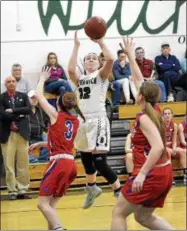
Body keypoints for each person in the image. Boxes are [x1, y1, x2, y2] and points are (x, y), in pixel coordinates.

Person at [111, 38, 173, 230]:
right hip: (164, 172)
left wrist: (142, 174)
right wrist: (130, 54)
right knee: (143, 217)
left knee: (119, 213)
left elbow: (158, 147)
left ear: (140, 96)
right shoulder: (158, 109)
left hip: (152, 173)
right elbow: (139, 80)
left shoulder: (144, 117)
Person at [68, 31, 122, 209]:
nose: (90, 59)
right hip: (83, 122)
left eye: (93, 58)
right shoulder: (80, 79)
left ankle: (118, 191)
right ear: (84, 64)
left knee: (99, 161)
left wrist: (100, 42)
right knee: (85, 159)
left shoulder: (101, 75)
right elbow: (69, 70)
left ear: (99, 63)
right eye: (87, 58)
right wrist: (76, 46)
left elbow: (111, 59)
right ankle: (91, 188)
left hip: (98, 119)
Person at [31, 67, 84, 230]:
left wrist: (42, 78)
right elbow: (63, 141)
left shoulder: (55, 115)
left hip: (58, 164)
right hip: (70, 164)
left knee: (42, 204)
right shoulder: (77, 121)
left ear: (59, 103)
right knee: (50, 206)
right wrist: (42, 144)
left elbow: (39, 96)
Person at [0, 76, 31, 200]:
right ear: (5, 84)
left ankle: (22, 189)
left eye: (13, 81)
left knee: (23, 163)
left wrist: (12, 110)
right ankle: (12, 190)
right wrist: (19, 114)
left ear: (16, 83)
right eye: (9, 82)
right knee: (9, 164)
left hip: (22, 133)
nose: (11, 83)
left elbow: (28, 109)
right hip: (7, 134)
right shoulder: (1, 97)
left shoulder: (23, 96)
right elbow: (2, 114)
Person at [177, 116, 187, 184]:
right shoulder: (181, 125)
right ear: (185, 116)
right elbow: (183, 141)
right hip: (184, 147)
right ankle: (185, 174)